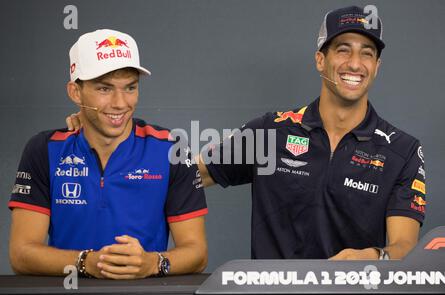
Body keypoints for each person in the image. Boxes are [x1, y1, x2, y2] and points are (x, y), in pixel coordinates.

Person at [67, 6, 426, 261]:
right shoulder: (272, 131)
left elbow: (404, 247)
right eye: (342, 49)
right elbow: (181, 173)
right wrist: (104, 128)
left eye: (367, 53)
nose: (354, 63)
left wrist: (371, 256)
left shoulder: (403, 151)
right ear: (321, 59)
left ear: (377, 66)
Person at [9, 29, 208, 279]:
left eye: (130, 87)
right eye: (104, 89)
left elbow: (197, 252)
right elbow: (21, 254)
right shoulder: (44, 149)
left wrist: (154, 263)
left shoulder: (171, 149)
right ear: (75, 92)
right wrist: (86, 262)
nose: (120, 103)